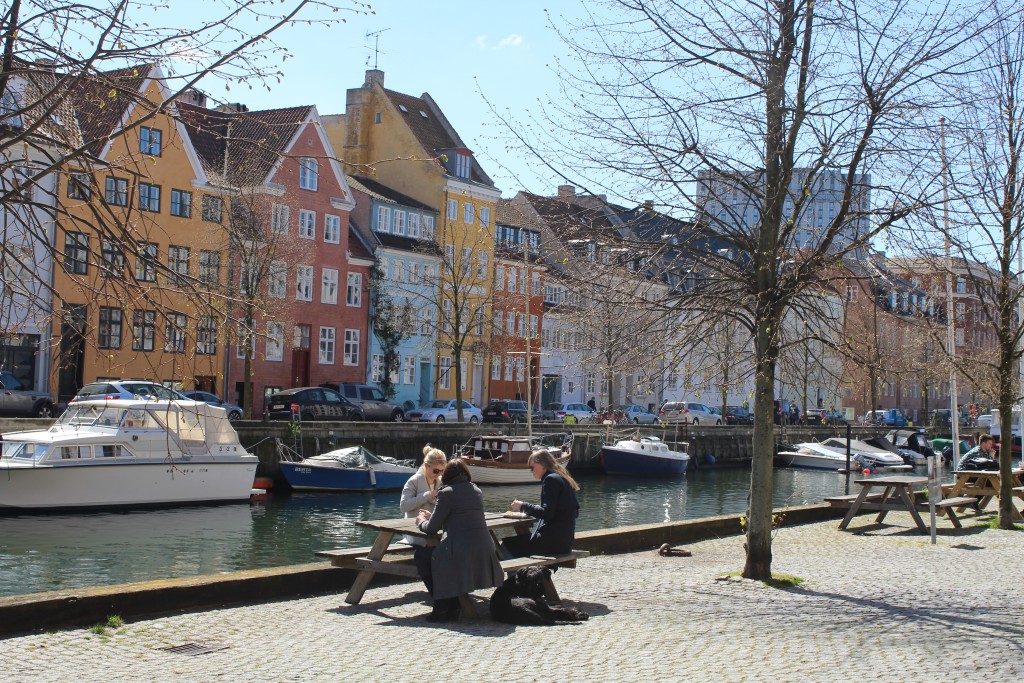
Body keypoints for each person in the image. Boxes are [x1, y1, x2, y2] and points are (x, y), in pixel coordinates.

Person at [415, 458, 504, 622]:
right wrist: (434, 516)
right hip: (485, 548)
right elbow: (459, 515)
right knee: (436, 555)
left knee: (422, 556)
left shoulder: (446, 493)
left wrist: (421, 520)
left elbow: (431, 529)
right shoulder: (476, 490)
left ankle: (442, 605)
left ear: (447, 475)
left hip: (460, 551)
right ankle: (453, 604)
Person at [501, 449, 580, 558]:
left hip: (552, 544)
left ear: (543, 464)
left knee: (505, 545)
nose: (531, 471)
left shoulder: (550, 480)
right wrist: (537, 508)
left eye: (532, 467)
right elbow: (572, 512)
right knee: (519, 543)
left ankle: (515, 575)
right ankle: (523, 573)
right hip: (565, 543)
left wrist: (522, 506)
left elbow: (547, 513)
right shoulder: (562, 477)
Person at [400, 445, 447, 586]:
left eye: (442, 471)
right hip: (415, 530)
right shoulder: (414, 481)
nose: (439, 474)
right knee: (439, 550)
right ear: (426, 466)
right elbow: (404, 506)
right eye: (436, 471)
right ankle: (440, 588)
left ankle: (445, 587)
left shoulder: (440, 482)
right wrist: (426, 496)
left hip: (432, 528)